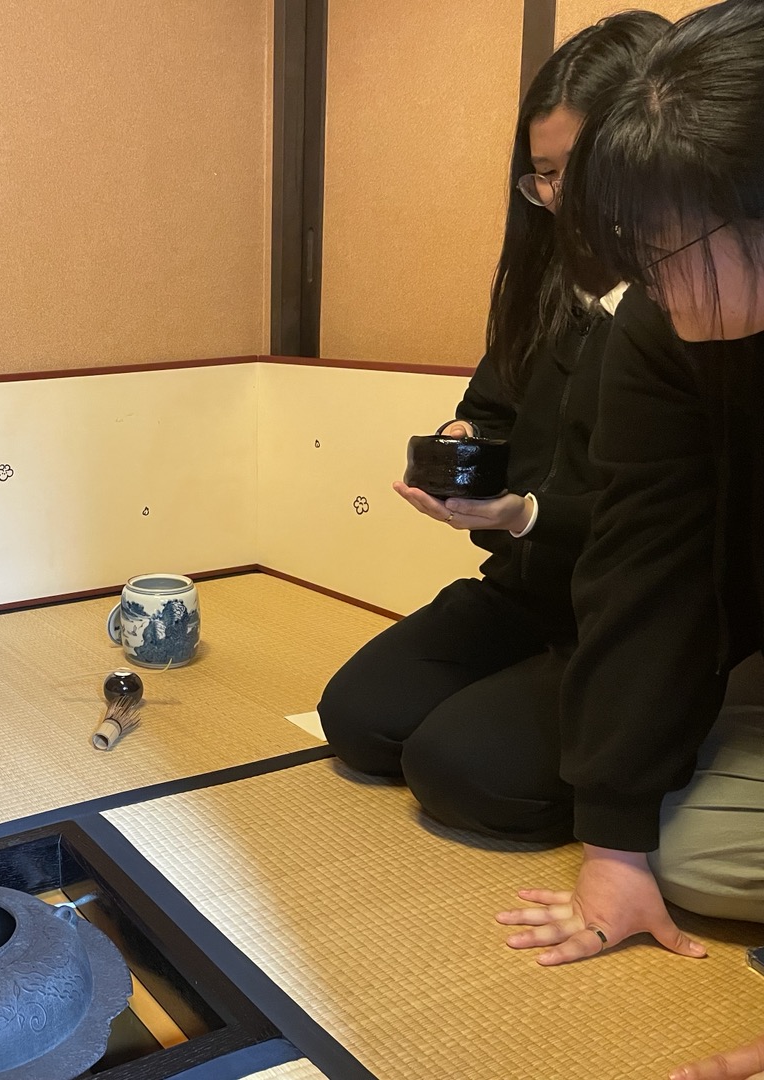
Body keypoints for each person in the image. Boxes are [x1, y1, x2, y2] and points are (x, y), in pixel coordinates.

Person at [481, 4, 764, 1076]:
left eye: (662, 244)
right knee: (686, 857)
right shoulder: (661, 324)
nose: (640, 275)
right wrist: (613, 843)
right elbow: (646, 565)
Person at [316, 12, 671, 842]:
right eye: (543, 176)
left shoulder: (682, 303)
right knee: (358, 719)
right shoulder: (552, 282)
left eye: (577, 170)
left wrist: (528, 513)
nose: (559, 198)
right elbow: (491, 405)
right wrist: (464, 445)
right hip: (528, 587)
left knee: (459, 770)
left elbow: (664, 514)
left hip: (628, 616)